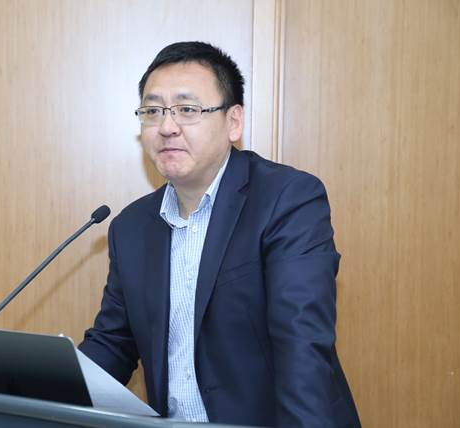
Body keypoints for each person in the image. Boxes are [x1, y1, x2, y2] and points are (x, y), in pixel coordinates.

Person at [79, 41, 361, 427]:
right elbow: (113, 345)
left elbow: (302, 348)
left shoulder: (287, 200)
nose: (167, 127)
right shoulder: (131, 227)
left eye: (187, 109)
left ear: (233, 122)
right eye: (152, 111)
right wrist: (34, 393)